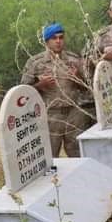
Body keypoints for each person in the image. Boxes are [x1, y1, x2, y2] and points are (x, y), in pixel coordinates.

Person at [22, 22, 86, 157]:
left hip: (74, 114)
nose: (58, 41)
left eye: (61, 37)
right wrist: (41, 85)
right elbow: (23, 93)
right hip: (50, 116)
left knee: (78, 155)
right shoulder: (35, 62)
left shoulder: (73, 59)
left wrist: (77, 78)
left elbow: (86, 88)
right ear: (46, 41)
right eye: (54, 38)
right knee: (50, 157)